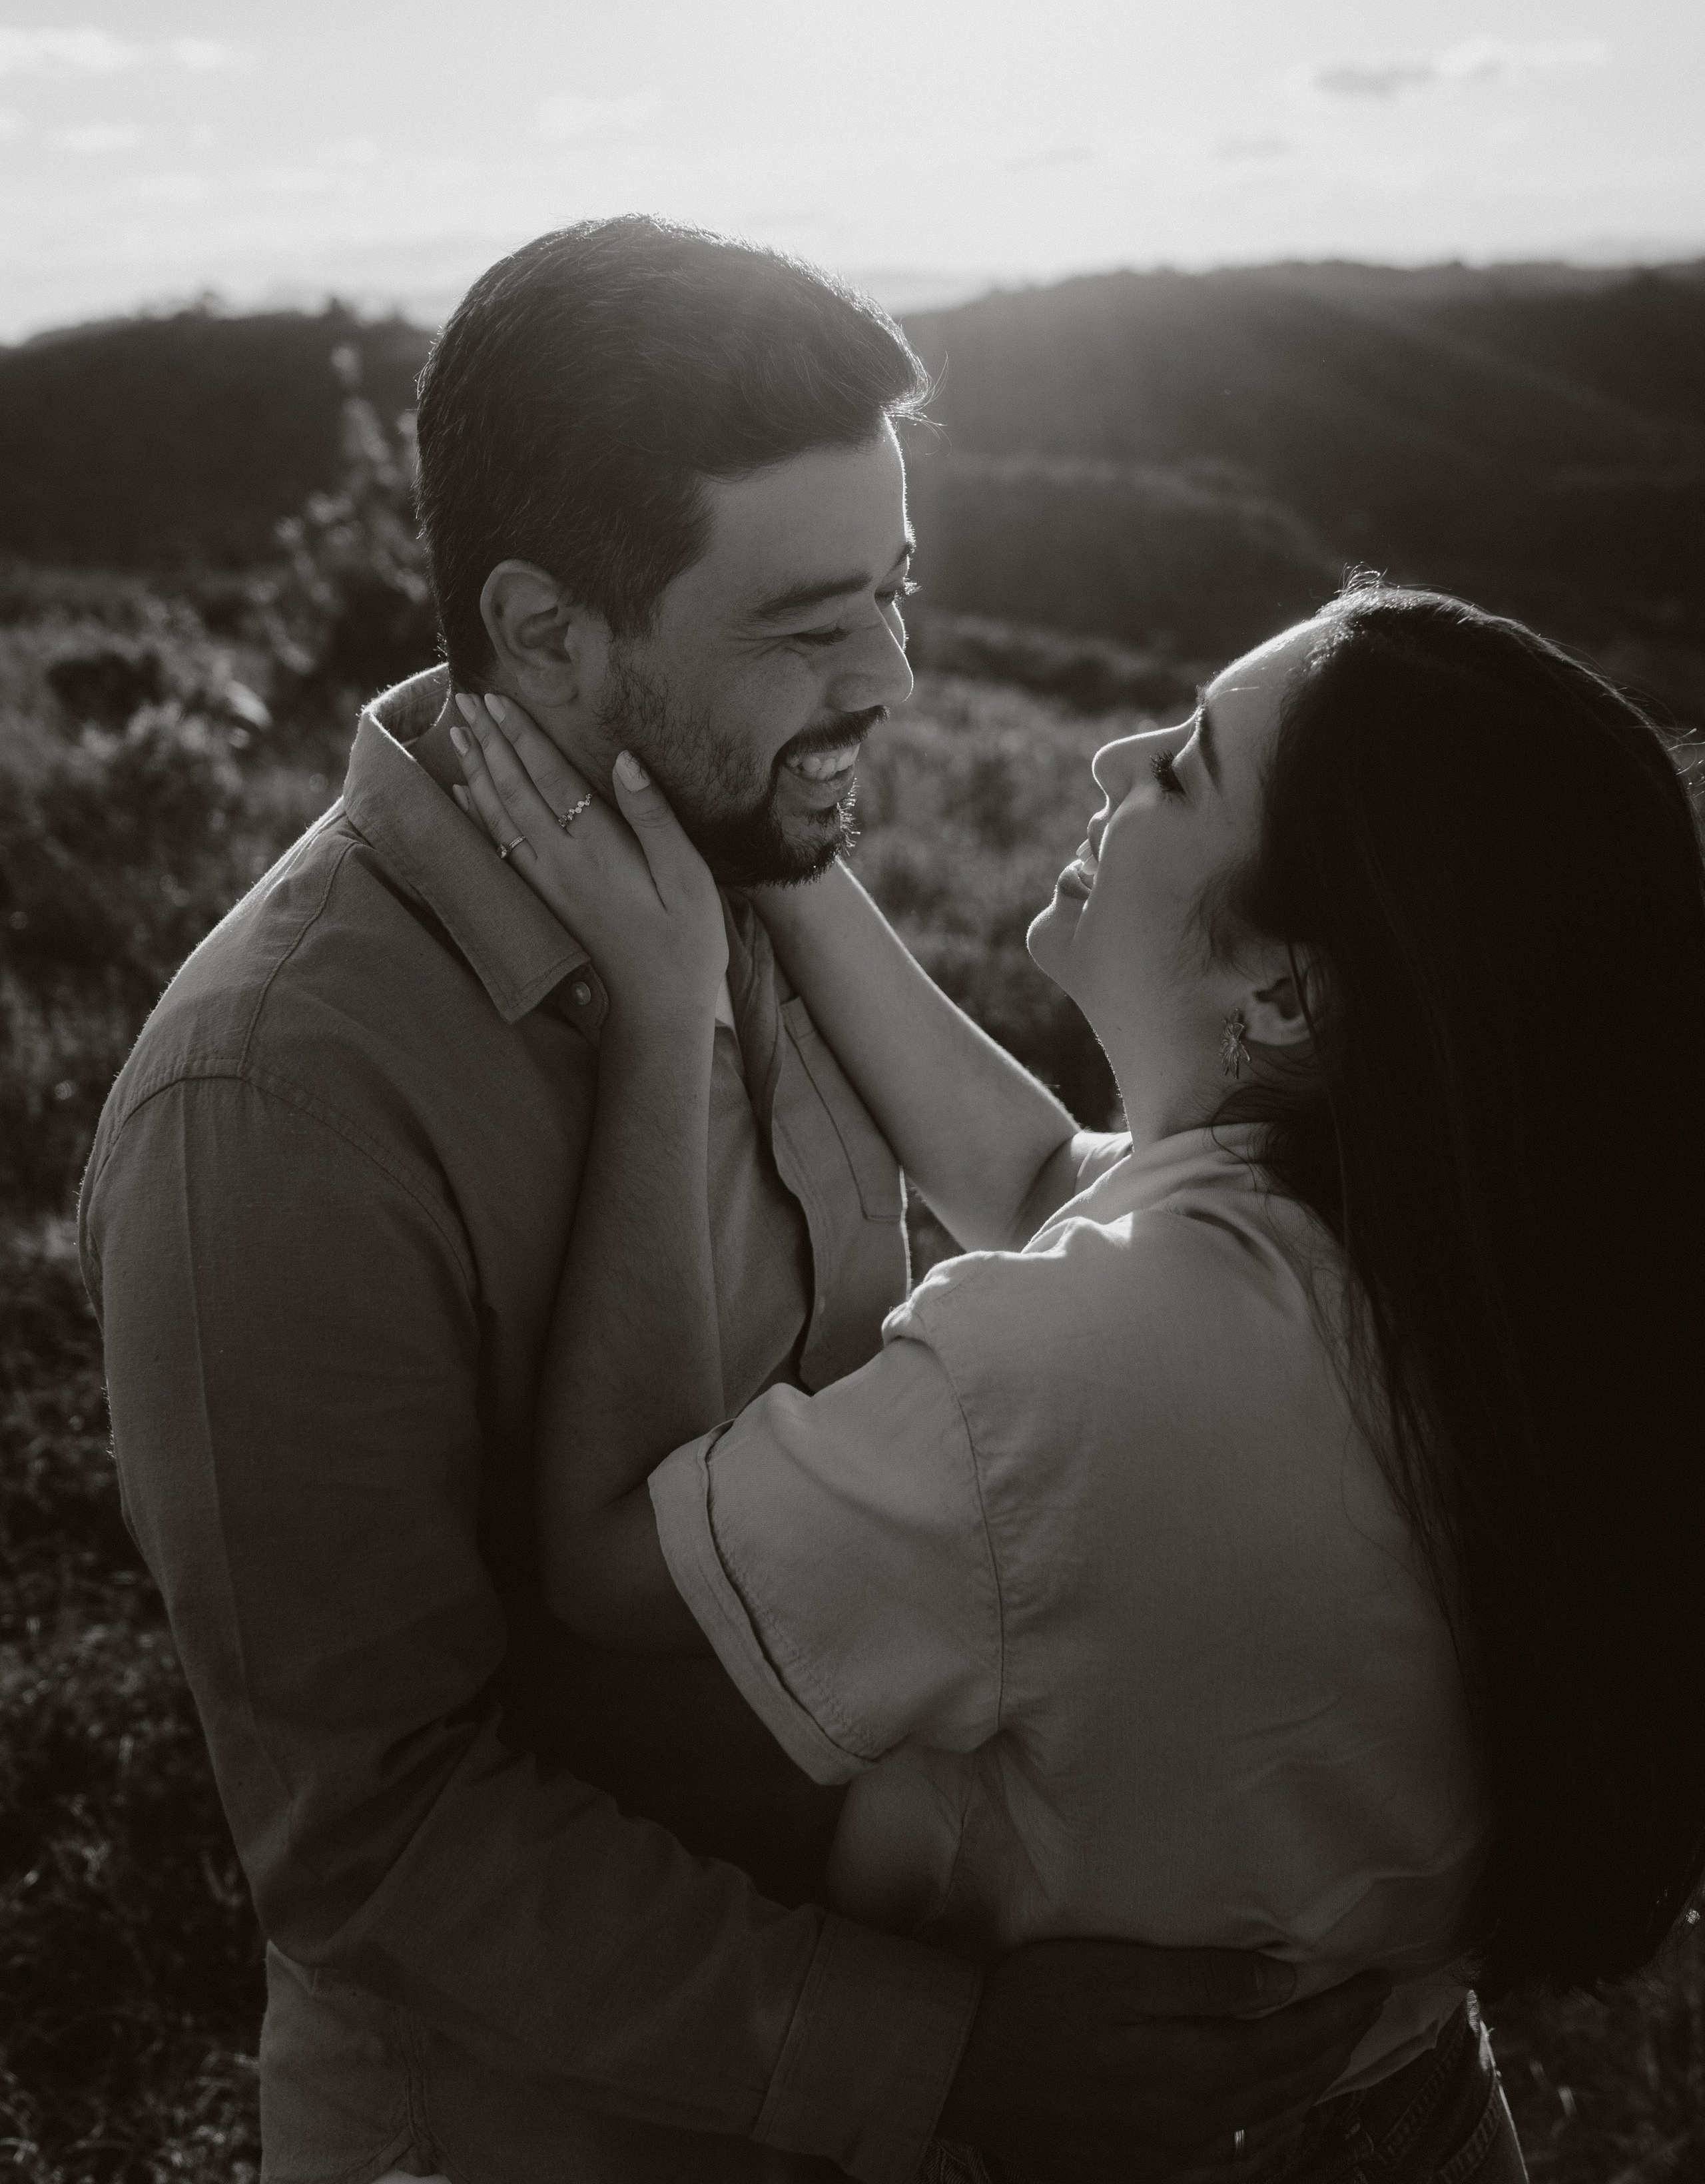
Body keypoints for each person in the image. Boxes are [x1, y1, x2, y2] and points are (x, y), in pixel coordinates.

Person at [83, 218, 1387, 2184]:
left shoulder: (747, 855)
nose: (895, 677)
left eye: (897, 591)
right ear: (546, 635)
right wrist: (934, 2053)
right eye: (804, 625)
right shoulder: (275, 1105)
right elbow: (372, 1836)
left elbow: (1034, 1189)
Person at [446, 579, 1705, 2184]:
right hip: (1421, 2118)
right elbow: (1042, 1173)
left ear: (1288, 991)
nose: (1115, 754)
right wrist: (772, 848)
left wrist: (654, 1015)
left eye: (1183, 766)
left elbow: (613, 1563)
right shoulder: (1460, 1250)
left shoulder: (1075, 1364)